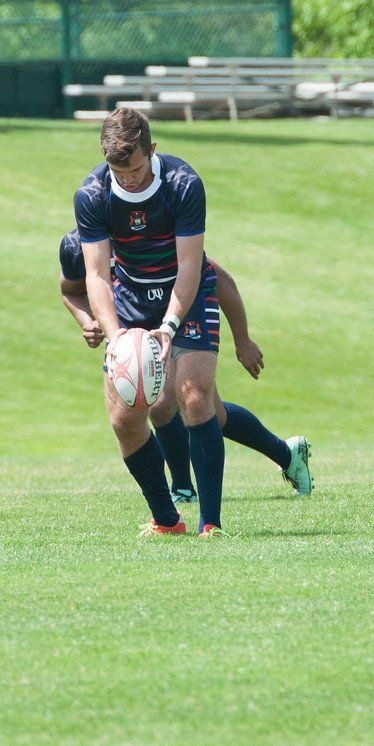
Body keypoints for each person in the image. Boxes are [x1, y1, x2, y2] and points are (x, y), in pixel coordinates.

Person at [57, 228, 311, 501]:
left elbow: (221, 280)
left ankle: (182, 489)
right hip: (135, 327)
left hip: (183, 312)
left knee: (171, 402)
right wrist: (88, 322)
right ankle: (287, 454)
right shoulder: (76, 247)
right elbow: (69, 290)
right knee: (214, 414)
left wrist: (243, 340)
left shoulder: (146, 237)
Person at [72, 108, 229, 537]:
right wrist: (115, 336)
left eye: (136, 170)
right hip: (131, 298)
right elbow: (96, 275)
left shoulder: (183, 184)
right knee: (124, 418)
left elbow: (190, 266)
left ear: (152, 150)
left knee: (194, 394)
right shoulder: (92, 194)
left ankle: (211, 524)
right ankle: (166, 520)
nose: (128, 180)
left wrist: (170, 325)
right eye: (118, 172)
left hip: (185, 293)